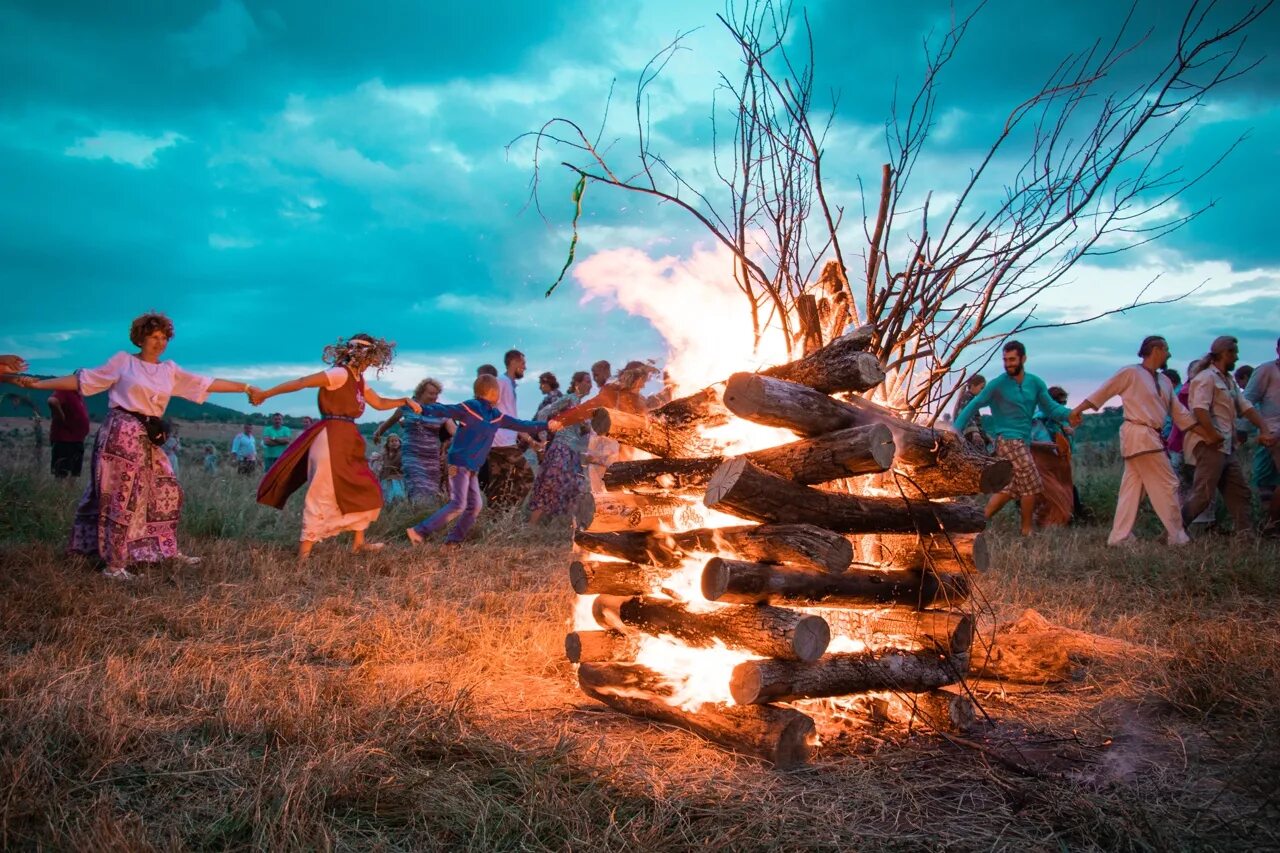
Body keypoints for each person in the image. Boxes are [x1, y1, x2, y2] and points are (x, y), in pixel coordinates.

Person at [14, 312, 257, 580]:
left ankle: (161, 549)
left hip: (150, 435)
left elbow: (206, 383)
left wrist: (245, 387)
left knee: (166, 490)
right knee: (121, 496)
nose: (160, 342)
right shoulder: (123, 363)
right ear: (140, 338)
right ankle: (114, 565)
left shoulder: (170, 371)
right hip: (122, 432)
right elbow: (83, 380)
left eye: (164, 337)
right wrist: (38, 383)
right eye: (154, 336)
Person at [253, 333, 420, 560]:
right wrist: (266, 393)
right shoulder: (339, 374)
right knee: (322, 490)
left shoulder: (358, 379)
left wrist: (404, 400)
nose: (370, 362)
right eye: (368, 357)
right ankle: (304, 552)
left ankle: (359, 542)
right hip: (331, 436)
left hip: (347, 437)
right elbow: (302, 382)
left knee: (365, 486)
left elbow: (379, 403)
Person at [1069, 336, 1203, 546]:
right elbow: (1105, 391)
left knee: (1132, 489)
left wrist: (1205, 431)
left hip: (1151, 437)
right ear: (1156, 350)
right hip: (1139, 435)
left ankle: (1119, 537)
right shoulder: (1131, 373)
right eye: (1167, 349)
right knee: (1168, 484)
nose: (1169, 354)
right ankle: (1178, 536)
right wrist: (1078, 410)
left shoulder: (1165, 381)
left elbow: (1180, 413)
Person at [406, 374, 547, 546]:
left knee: (475, 506)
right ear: (491, 392)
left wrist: (549, 425)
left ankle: (453, 541)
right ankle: (419, 531)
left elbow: (522, 425)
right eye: (498, 391)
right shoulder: (470, 407)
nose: (499, 395)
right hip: (457, 463)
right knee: (459, 504)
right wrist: (420, 408)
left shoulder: (495, 415)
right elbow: (445, 409)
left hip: (472, 468)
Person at [954, 340, 1071, 536]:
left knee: (1011, 489)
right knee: (1032, 481)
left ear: (1023, 359)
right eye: (1005, 360)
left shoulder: (1035, 383)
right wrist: (955, 430)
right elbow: (973, 405)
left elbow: (1051, 408)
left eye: (1012, 359)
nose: (1008, 363)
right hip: (1007, 441)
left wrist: (1070, 414)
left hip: (1023, 441)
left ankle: (975, 523)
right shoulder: (998, 384)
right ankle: (1027, 530)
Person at [1180, 336, 1275, 535]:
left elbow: (1246, 407)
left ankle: (1246, 537)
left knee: (1239, 493)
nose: (1237, 357)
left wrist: (1264, 428)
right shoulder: (1205, 378)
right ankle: (1174, 532)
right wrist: (1212, 435)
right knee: (1202, 496)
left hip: (1225, 447)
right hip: (1210, 446)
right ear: (1225, 353)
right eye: (1235, 353)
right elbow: (1199, 410)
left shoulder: (1228, 380)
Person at [373, 377, 457, 504]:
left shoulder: (440, 410)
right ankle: (416, 514)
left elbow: (454, 431)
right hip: (412, 455)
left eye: (436, 394)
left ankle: (425, 517)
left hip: (431, 457)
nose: (434, 397)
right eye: (431, 393)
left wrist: (451, 444)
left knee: (431, 490)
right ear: (421, 392)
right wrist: (378, 432)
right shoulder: (407, 406)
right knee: (417, 487)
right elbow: (391, 420)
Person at [529, 371, 593, 523]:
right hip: (561, 448)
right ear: (577, 383)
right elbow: (544, 413)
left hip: (573, 453)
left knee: (574, 488)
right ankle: (531, 525)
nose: (590, 385)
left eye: (591, 382)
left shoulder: (583, 406)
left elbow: (583, 434)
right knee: (550, 484)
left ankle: (568, 526)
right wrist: (543, 439)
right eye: (587, 381)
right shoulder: (569, 399)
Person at [485, 349, 536, 507]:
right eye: (523, 363)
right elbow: (489, 406)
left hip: (503, 442)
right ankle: (506, 513)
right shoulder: (501, 381)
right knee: (527, 477)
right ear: (513, 362)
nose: (525, 367)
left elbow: (510, 417)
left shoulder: (509, 384)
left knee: (501, 484)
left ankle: (497, 517)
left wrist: (528, 438)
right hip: (501, 443)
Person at [1243, 335, 1280, 533]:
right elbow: (1246, 401)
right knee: (1263, 480)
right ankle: (1270, 525)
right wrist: (1241, 429)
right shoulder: (1266, 370)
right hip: (1270, 434)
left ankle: (1271, 525)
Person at [1029, 385, 1075, 527]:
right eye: (1059, 403)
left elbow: (1068, 438)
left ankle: (1058, 521)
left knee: (1065, 492)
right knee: (1052, 494)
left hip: (1059, 461)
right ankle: (1046, 522)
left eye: (1064, 403)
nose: (1062, 406)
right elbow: (1028, 438)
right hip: (1043, 461)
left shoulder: (1061, 418)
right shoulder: (1038, 416)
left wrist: (1069, 431)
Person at [47, 386, 90, 478]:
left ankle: (69, 492)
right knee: (62, 474)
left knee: (74, 474)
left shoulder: (78, 395)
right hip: (65, 440)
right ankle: (60, 492)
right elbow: (52, 401)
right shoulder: (65, 390)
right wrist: (60, 415)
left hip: (77, 440)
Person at [953, 374, 989, 451]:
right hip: (970, 436)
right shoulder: (966, 398)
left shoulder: (971, 399)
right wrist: (975, 433)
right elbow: (966, 417)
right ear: (973, 386)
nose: (983, 391)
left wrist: (986, 436)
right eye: (981, 388)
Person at [376, 433, 407, 503]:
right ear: (388, 444)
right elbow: (381, 465)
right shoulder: (384, 455)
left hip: (397, 478)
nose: (394, 443)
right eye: (392, 441)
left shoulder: (402, 453)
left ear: (399, 442)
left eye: (396, 441)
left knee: (398, 496)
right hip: (385, 479)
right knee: (386, 498)